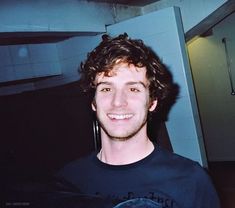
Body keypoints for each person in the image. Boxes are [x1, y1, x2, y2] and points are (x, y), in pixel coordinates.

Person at [56, 33, 220, 208]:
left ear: (152, 102)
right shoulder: (68, 180)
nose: (118, 102)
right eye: (106, 89)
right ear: (94, 102)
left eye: (133, 89)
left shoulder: (190, 179)